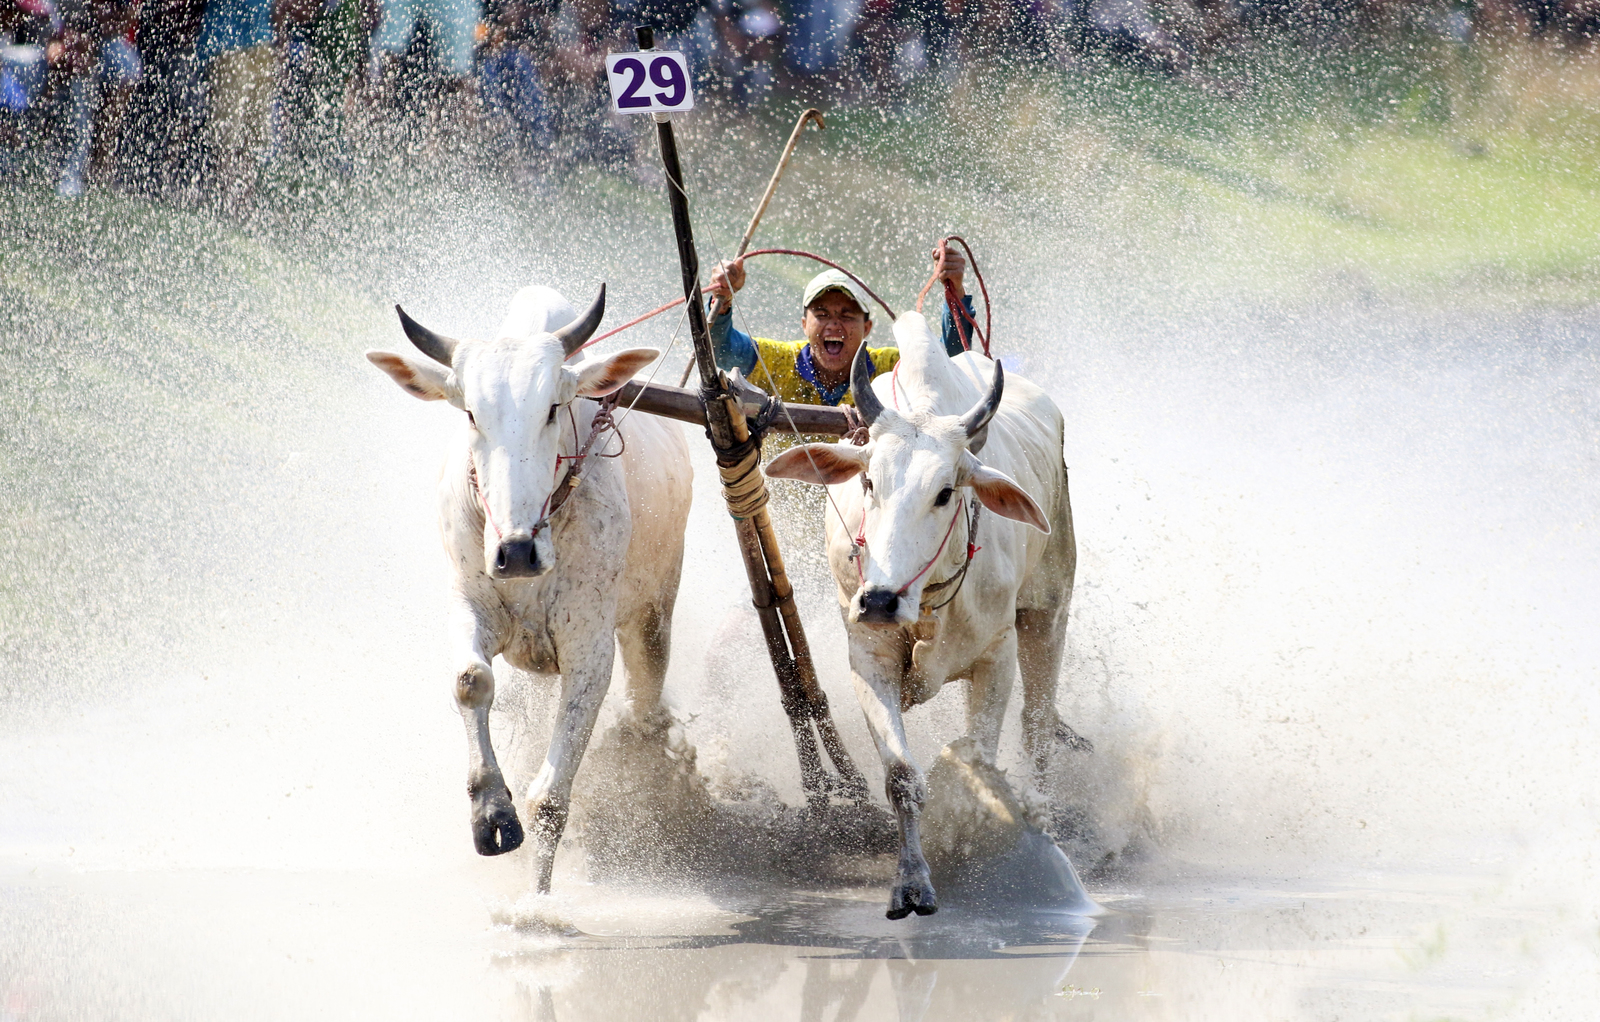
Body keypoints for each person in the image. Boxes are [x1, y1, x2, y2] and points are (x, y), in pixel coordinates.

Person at [704, 245, 977, 408]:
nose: (834, 323)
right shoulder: (775, 362)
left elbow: (947, 362)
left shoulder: (892, 370)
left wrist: (955, 291)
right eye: (821, 314)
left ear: (867, 328)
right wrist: (723, 299)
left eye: (847, 315)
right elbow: (722, 350)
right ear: (804, 325)